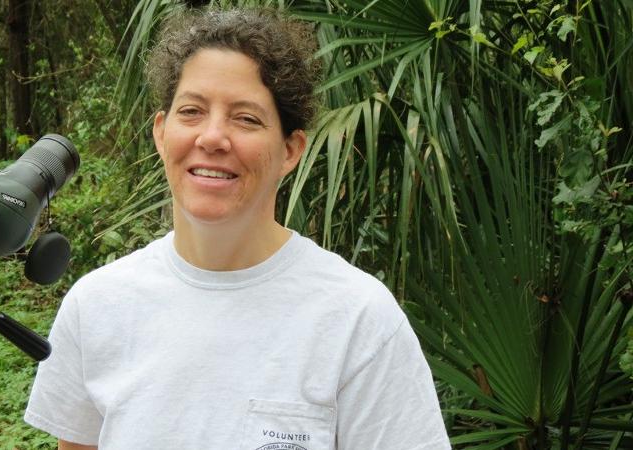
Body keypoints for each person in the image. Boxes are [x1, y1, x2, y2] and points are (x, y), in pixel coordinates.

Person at [25, 6, 450, 450]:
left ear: (290, 150)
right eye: (191, 111)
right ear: (160, 132)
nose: (212, 138)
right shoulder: (97, 306)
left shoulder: (358, 321)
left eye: (246, 118)